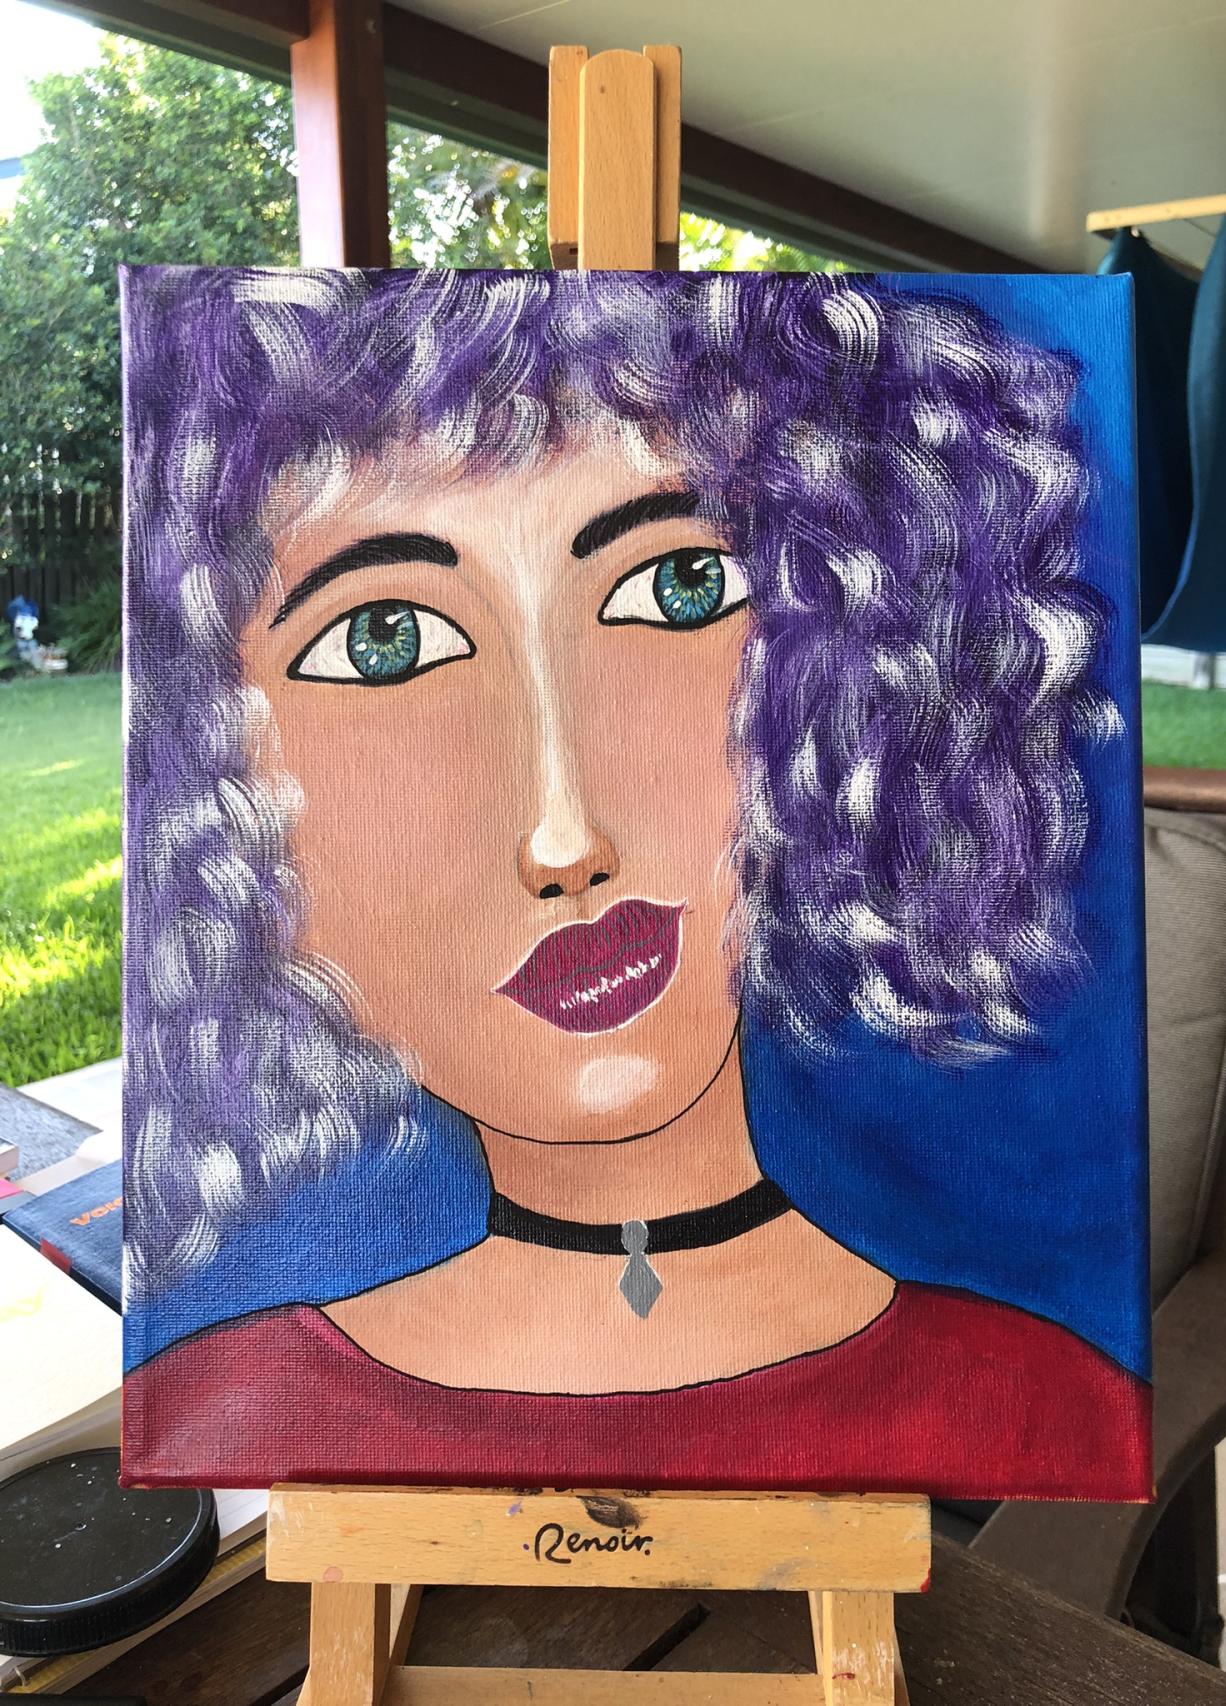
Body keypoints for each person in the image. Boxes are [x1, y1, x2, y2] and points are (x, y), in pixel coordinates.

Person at [121, 268, 1150, 1496]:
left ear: (849, 668)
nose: (565, 837)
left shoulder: (1038, 1399)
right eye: (385, 642)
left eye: (676, 589)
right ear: (222, 779)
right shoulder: (225, 1404)